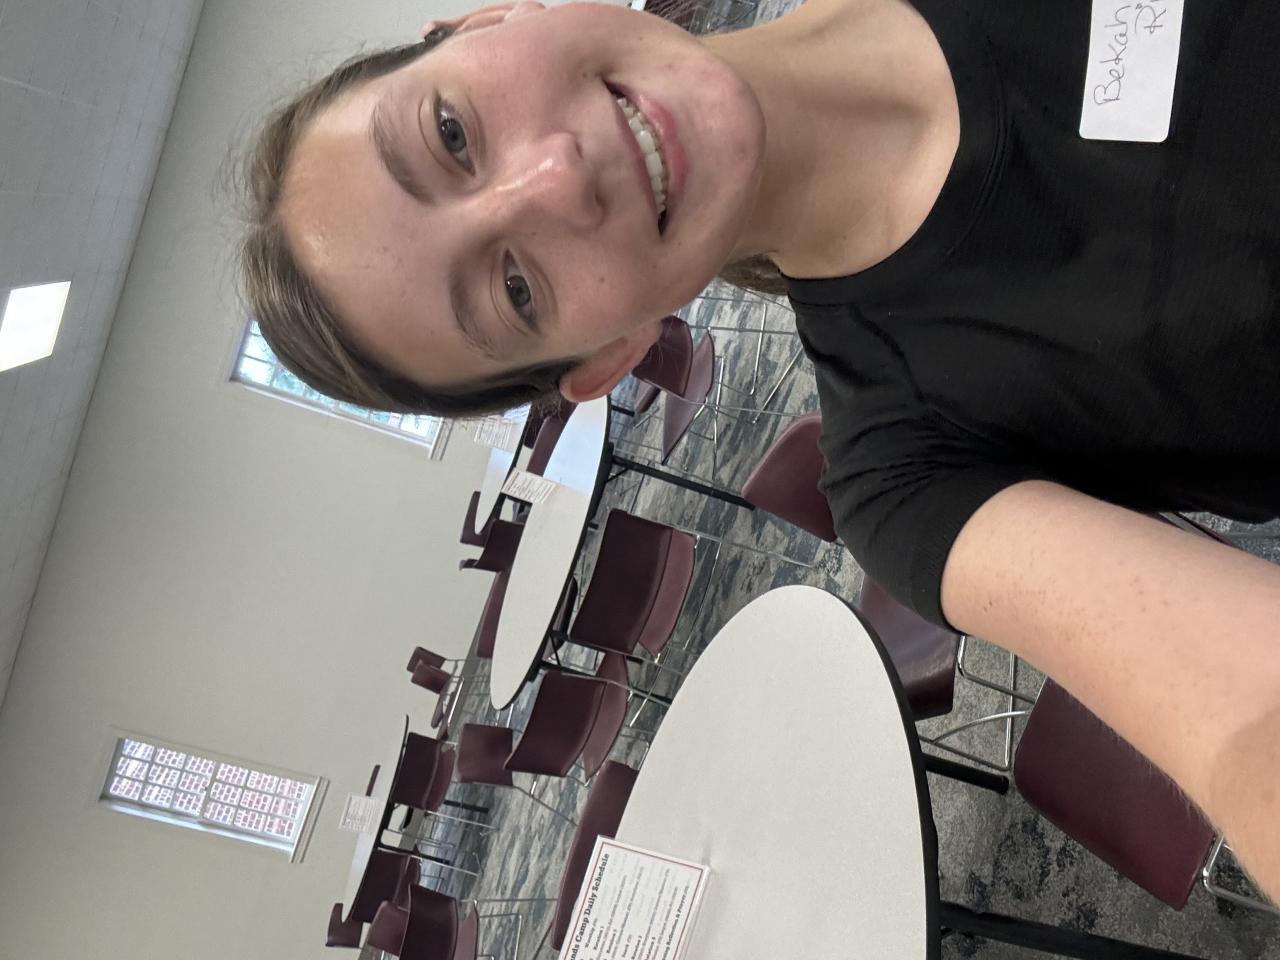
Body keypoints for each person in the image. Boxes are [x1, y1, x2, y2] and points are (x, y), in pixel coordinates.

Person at [238, 0, 1280, 902]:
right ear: (606, 358)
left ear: (484, 21)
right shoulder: (908, 475)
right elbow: (1249, 724)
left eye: (451, 131)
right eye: (515, 288)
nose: (557, 175)